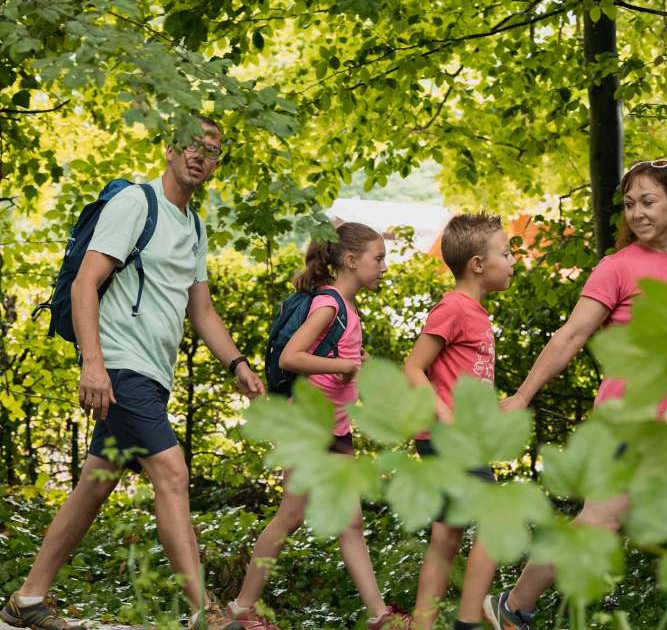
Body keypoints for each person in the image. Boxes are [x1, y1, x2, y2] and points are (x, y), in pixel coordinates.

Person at [1, 116, 265, 630]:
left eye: (211, 151)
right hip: (122, 366)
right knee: (172, 473)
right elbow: (84, 283)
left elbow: (202, 310)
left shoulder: (194, 227)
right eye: (191, 145)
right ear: (171, 149)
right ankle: (204, 612)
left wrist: (237, 363)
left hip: (153, 373)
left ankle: (28, 599)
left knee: (95, 484)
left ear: (216, 164)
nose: (199, 155)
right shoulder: (135, 204)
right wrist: (93, 364)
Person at [483, 160, 667, 630]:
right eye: (630, 204)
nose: (637, 213)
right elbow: (571, 337)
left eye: (648, 201)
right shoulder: (617, 267)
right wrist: (522, 395)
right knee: (599, 524)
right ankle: (512, 607)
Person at [221, 223, 409, 630]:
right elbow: (291, 357)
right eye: (378, 258)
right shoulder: (329, 303)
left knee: (351, 521)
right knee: (291, 515)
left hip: (334, 428)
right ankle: (242, 608)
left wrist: (355, 374)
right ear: (351, 260)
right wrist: (344, 366)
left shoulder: (347, 307)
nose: (384, 267)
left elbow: (334, 365)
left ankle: (378, 616)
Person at [404, 213, 516, 630]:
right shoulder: (453, 308)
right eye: (506, 252)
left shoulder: (476, 313)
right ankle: (468, 622)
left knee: (446, 537)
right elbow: (413, 368)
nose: (513, 260)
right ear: (478, 264)